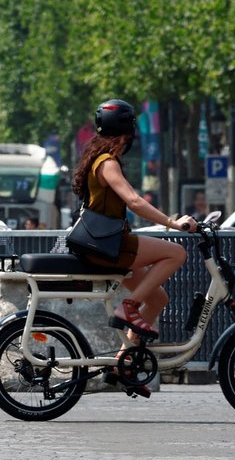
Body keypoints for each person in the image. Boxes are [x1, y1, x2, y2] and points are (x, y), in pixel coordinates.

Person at [74, 99, 196, 345]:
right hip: (109, 246)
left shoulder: (97, 158)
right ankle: (129, 306)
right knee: (176, 253)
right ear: (127, 133)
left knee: (158, 299)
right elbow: (134, 202)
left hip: (103, 245)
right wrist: (174, 223)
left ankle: (126, 361)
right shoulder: (107, 163)